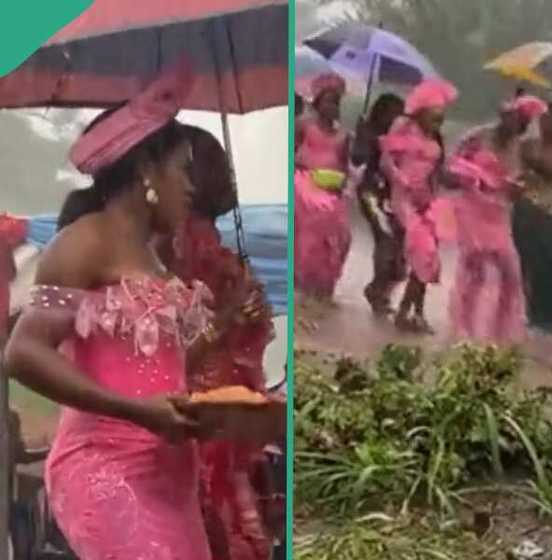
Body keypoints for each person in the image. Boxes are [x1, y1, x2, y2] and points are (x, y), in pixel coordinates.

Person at [3, 61, 238, 559]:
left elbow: (167, 371)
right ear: (145, 171)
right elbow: (21, 353)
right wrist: (136, 412)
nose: (191, 188)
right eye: (182, 170)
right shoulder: (85, 241)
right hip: (104, 468)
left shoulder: (155, 256)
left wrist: (212, 404)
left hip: (169, 473)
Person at [164, 126, 275, 560]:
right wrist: (233, 310)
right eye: (216, 163)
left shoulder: (207, 233)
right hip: (206, 389)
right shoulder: (181, 239)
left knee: (229, 499)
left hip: (229, 387)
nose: (227, 172)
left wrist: (251, 306)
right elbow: (187, 318)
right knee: (214, 503)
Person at [447, 95, 546, 343]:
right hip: (471, 206)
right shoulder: (477, 137)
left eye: (525, 123)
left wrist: (518, 189)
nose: (521, 127)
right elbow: (450, 168)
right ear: (505, 116)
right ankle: (462, 328)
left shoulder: (520, 149)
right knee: (474, 268)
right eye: (518, 120)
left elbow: (517, 186)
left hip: (498, 213)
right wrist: (470, 176)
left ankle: (500, 332)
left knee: (511, 272)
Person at [380, 78, 458, 333]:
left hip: (426, 201)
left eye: (441, 118)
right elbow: (386, 162)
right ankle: (406, 312)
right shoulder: (403, 127)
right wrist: (399, 178)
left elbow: (437, 173)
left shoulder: (436, 138)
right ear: (422, 113)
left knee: (428, 256)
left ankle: (413, 312)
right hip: (403, 199)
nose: (438, 122)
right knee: (423, 250)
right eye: (435, 117)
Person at [293, 72, 352, 301]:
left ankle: (326, 287)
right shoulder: (303, 126)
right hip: (303, 183)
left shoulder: (344, 135)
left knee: (343, 237)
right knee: (315, 224)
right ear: (318, 103)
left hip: (331, 189)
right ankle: (303, 284)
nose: (333, 107)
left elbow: (346, 167)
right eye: (329, 101)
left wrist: (341, 180)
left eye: (336, 102)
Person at [515, 104, 552, 339]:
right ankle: (533, 316)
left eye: (549, 120)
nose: (544, 124)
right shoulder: (527, 145)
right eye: (542, 120)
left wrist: (533, 162)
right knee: (529, 263)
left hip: (550, 210)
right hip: (526, 207)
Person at [353, 93, 407, 316]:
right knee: (386, 240)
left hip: (395, 195)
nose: (396, 119)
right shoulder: (369, 132)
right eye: (392, 113)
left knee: (401, 255)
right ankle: (377, 292)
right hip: (371, 192)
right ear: (381, 113)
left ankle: (379, 291)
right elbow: (358, 159)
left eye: (400, 114)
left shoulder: (404, 137)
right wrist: (364, 136)